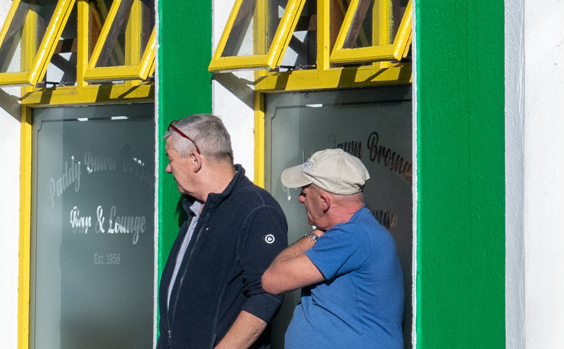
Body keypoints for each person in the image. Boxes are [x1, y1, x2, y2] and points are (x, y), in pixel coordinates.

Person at [157, 114, 290, 349]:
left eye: (171, 159)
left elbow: (265, 295)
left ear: (195, 159)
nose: (168, 169)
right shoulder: (196, 209)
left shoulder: (257, 210)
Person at [261, 147, 404, 348]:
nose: (301, 198)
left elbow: (272, 280)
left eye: (305, 192)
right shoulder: (357, 232)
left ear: (324, 201)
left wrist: (315, 234)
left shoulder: (351, 237)